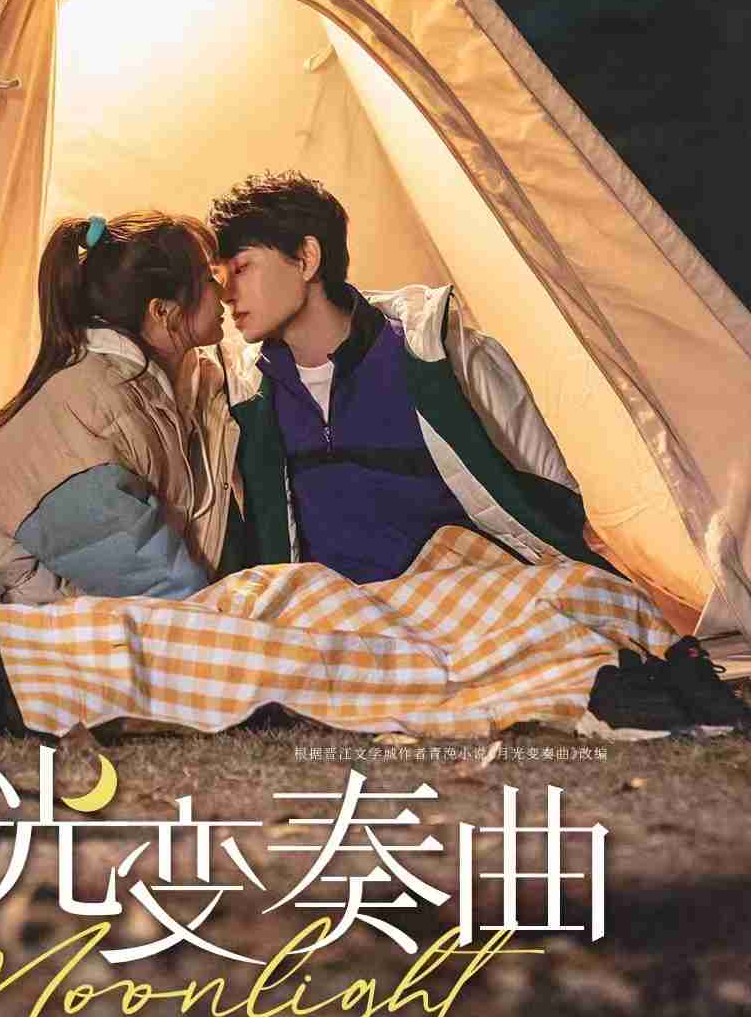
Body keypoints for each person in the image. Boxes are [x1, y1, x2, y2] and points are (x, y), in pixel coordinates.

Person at [208, 170, 750, 732]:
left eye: (241, 268)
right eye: (219, 277)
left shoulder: (436, 352)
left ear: (306, 258)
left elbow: (546, 487)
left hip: (462, 590)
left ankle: (616, 675)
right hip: (337, 614)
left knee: (583, 593)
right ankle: (569, 678)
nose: (226, 294)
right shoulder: (241, 391)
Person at [0, 211, 243, 628]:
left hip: (24, 615)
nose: (223, 292)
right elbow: (148, 572)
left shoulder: (156, 391)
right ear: (162, 311)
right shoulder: (88, 399)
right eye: (207, 278)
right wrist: (229, 626)